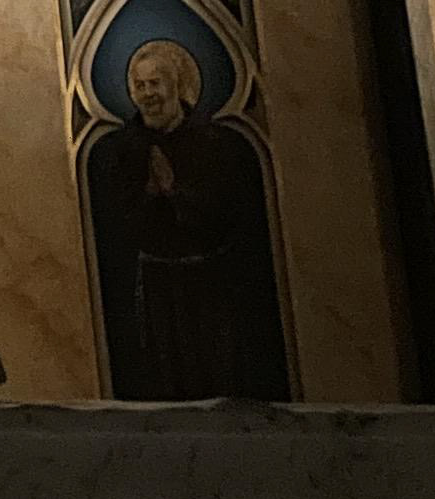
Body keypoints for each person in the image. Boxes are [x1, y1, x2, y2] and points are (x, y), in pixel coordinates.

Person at [90, 39, 289, 398]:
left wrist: (175, 193)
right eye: (140, 85)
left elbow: (230, 213)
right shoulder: (123, 150)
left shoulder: (212, 143)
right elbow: (119, 221)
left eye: (156, 84)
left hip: (209, 285)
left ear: (176, 86)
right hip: (154, 286)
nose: (148, 94)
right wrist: (149, 195)